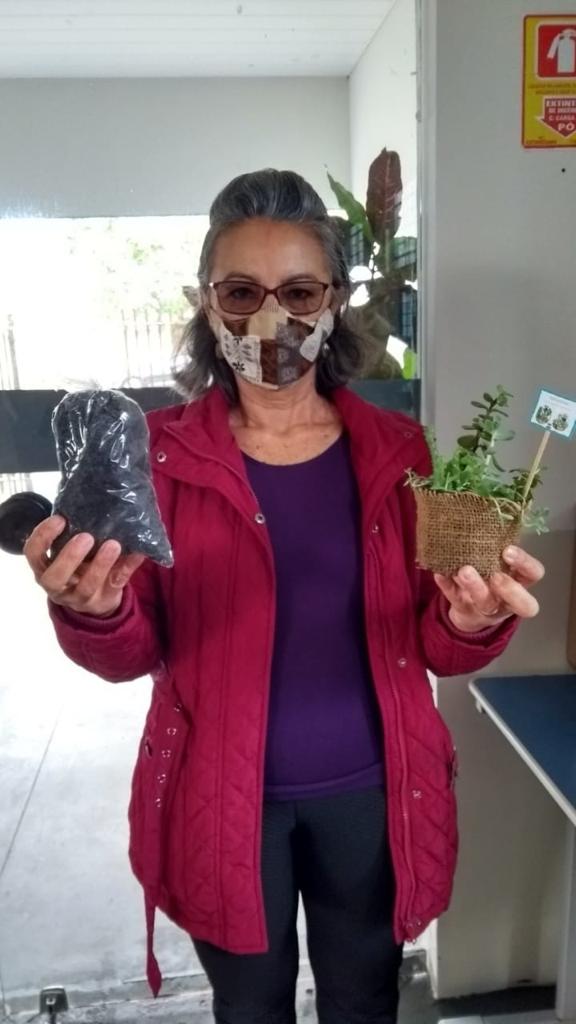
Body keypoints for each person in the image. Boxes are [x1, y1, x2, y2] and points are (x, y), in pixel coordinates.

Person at [24, 169, 544, 1024]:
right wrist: (93, 609)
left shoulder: (400, 451)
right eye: (241, 292)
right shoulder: (157, 456)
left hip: (374, 796)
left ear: (334, 301)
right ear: (206, 304)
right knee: (250, 1006)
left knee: (363, 1001)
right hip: (221, 800)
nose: (273, 319)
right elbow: (129, 653)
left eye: (300, 292)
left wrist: (471, 619)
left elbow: (436, 643)